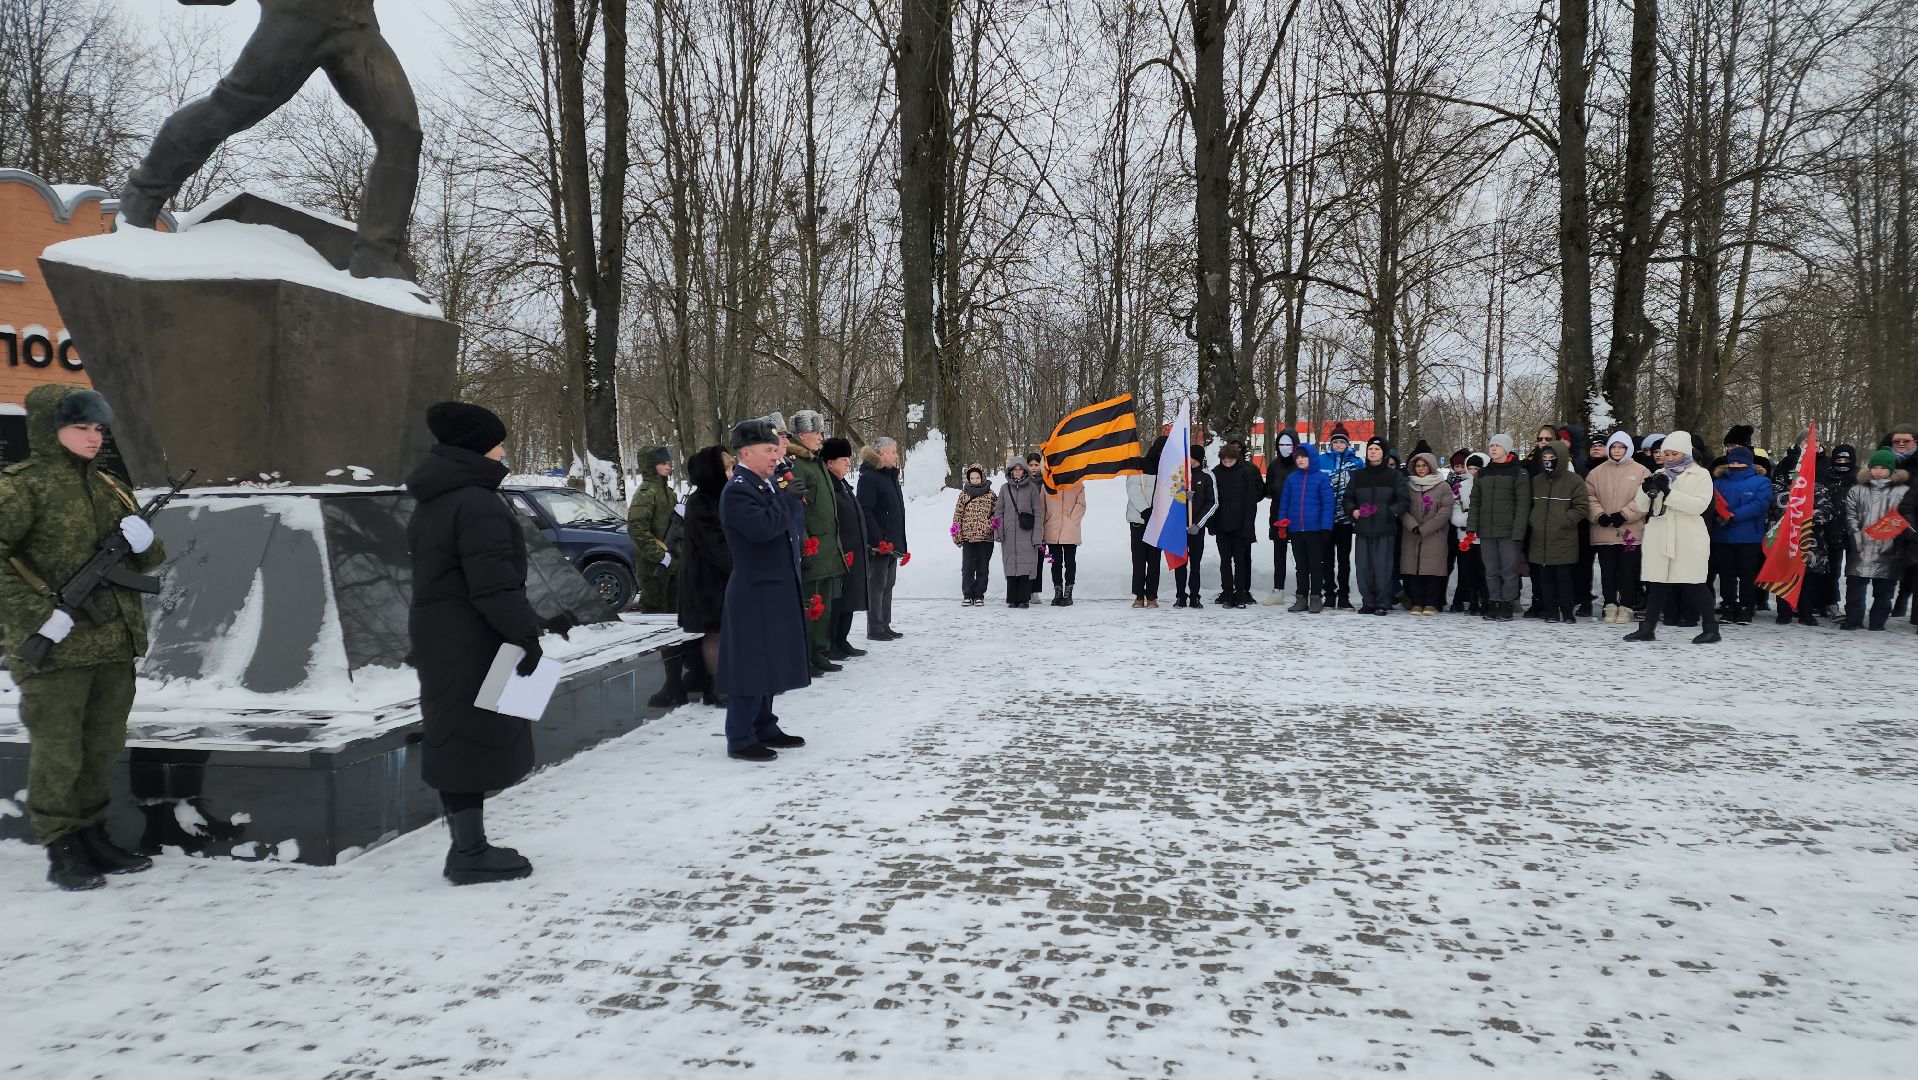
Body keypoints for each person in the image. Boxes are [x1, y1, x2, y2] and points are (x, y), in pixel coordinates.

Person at [0, 386, 168, 891]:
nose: (94, 438)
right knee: (59, 751)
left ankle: (92, 835)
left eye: (98, 429)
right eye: (81, 428)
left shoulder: (111, 487)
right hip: (55, 648)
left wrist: (147, 544)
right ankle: (61, 845)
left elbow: (148, 561)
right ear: (51, 431)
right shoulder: (20, 488)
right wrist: (38, 616)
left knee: (101, 747)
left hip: (113, 645)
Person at [119, 0, 421, 280]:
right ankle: (143, 193)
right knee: (230, 108)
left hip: (356, 25)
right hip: (298, 14)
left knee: (402, 133)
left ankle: (374, 257)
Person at [405, 401, 574, 885]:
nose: (504, 451)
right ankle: (468, 853)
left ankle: (468, 845)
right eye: (498, 442)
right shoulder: (476, 502)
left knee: (454, 736)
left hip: (445, 636)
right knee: (468, 740)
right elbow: (492, 584)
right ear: (478, 447)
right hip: (471, 640)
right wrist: (525, 635)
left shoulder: (438, 497)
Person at [716, 419, 811, 761]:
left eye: (776, 450)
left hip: (775, 587)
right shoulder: (739, 489)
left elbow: (787, 529)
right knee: (751, 663)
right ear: (746, 452)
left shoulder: (765, 484)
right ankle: (740, 736)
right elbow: (763, 529)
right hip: (754, 590)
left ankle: (764, 724)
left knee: (771, 660)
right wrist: (787, 501)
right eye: (768, 450)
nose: (775, 456)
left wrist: (786, 499)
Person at [1625, 432, 1720, 644]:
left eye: (1673, 453)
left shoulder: (1701, 475)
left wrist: (1669, 493)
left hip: (1687, 534)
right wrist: (1644, 490)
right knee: (1657, 583)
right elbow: (1641, 507)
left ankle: (1711, 628)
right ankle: (1647, 628)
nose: (1668, 457)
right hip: (1660, 532)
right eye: (1665, 453)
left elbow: (1698, 506)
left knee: (1695, 582)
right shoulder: (1659, 473)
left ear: (1685, 452)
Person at [784, 411, 845, 674]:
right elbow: (799, 511)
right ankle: (806, 656)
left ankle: (820, 652)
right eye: (816, 432)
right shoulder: (797, 464)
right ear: (800, 436)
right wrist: (805, 545)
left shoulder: (816, 462)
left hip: (828, 547)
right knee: (811, 603)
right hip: (813, 548)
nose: (821, 436)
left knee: (825, 604)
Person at [677, 445, 732, 708]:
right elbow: (715, 545)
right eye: (727, 466)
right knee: (715, 632)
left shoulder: (725, 495)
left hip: (724, 577)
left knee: (726, 631)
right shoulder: (701, 502)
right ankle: (716, 684)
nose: (732, 470)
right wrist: (740, 566)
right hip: (708, 579)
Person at [1769, 434, 1837, 626]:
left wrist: (1807, 517)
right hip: (1785, 539)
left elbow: (1827, 511)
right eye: (1793, 472)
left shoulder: (1817, 489)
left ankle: (1806, 612)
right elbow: (1775, 509)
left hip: (1811, 540)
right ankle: (1783, 612)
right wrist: (1791, 516)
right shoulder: (1779, 489)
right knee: (1783, 575)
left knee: (1809, 578)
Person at [1841, 449, 1910, 631]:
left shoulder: (1902, 492)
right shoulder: (1857, 490)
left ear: (1892, 470)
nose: (1878, 471)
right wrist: (1857, 538)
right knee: (1855, 589)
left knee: (1884, 591)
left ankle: (1878, 622)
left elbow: (1904, 516)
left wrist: (1890, 537)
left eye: (1883, 468)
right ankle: (1853, 620)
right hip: (1861, 547)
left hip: (1889, 549)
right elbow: (1851, 516)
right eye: (1875, 467)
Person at [1586, 432, 1649, 624]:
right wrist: (1599, 515)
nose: (1617, 450)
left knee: (1629, 569)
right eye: (1614, 447)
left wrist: (1624, 515)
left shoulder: (1641, 471)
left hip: (1629, 532)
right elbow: (1588, 496)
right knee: (1608, 570)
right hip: (1604, 531)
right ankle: (1610, 604)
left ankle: (1627, 605)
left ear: (1628, 448)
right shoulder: (1597, 472)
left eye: (1621, 447)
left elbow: (1644, 498)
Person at [1524, 441, 1589, 622]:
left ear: (1560, 458)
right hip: (1540, 539)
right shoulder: (1537, 481)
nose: (1548, 461)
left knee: (1564, 578)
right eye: (1544, 458)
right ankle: (1551, 611)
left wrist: (1564, 520)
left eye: (1551, 458)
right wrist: (1534, 520)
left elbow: (1582, 507)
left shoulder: (1574, 480)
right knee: (1545, 579)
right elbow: (1529, 505)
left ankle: (1567, 612)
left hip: (1563, 538)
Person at [1468, 434, 1530, 621]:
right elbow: (1475, 501)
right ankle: (1494, 601)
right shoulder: (1483, 473)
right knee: (1491, 570)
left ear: (1507, 449)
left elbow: (1523, 504)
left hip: (1509, 531)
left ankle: (1507, 604)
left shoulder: (1518, 472)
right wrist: (1472, 527)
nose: (1493, 449)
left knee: (1509, 570)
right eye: (1492, 445)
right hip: (1487, 530)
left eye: (1498, 446)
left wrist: (1518, 530)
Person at [1346, 437, 1409, 615]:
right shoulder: (1358, 476)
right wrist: (1354, 511)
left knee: (1383, 567)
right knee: (1363, 567)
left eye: (1377, 449)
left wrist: (1389, 512)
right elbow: (1348, 498)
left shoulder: (1394, 476)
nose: (1372, 452)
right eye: (1370, 449)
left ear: (1384, 453)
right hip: (1363, 528)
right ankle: (1368, 601)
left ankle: (1382, 601)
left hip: (1385, 528)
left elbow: (1403, 501)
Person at [1710, 446, 1771, 625]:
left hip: (1748, 537)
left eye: (1740, 462)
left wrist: (1734, 516)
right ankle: (1728, 606)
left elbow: (1760, 504)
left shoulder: (1761, 482)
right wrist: (1718, 516)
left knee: (1747, 575)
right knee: (1726, 575)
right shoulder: (1718, 482)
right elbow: (1711, 501)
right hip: (1723, 536)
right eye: (1733, 461)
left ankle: (1746, 607)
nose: (1736, 465)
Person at [822, 438, 868, 662]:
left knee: (850, 597)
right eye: (844, 460)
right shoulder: (828, 485)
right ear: (830, 463)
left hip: (853, 551)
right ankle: (830, 642)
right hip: (839, 552)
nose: (848, 463)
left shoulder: (843, 485)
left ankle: (842, 639)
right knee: (838, 600)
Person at [857, 438, 907, 639]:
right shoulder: (869, 477)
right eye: (893, 451)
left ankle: (885, 623)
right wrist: (878, 541)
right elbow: (866, 511)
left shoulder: (890, 476)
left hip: (892, 541)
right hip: (879, 544)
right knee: (877, 585)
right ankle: (875, 627)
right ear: (881, 454)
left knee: (888, 584)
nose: (896, 455)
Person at [1279, 443, 1334, 612]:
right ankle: (1301, 597)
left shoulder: (1321, 478)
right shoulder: (1291, 479)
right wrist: (1282, 523)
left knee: (1315, 565)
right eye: (1297, 457)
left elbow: (1328, 504)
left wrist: (1326, 527)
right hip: (1296, 530)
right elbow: (1285, 503)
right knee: (1301, 565)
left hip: (1315, 530)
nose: (1300, 459)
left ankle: (1316, 597)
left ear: (1311, 458)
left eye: (1303, 456)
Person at [1210, 439, 1265, 607]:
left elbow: (1251, 502)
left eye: (1231, 460)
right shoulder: (1216, 473)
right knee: (1225, 561)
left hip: (1241, 525)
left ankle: (1240, 594)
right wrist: (1212, 524)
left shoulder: (1246, 472)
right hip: (1222, 525)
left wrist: (1248, 526)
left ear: (1237, 458)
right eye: (1224, 461)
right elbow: (1211, 499)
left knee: (1240, 561)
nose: (1227, 464)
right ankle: (1227, 594)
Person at [1400, 451, 1453, 615]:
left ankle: (1431, 603)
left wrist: (1427, 528)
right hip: (1412, 533)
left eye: (1424, 465)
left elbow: (1446, 510)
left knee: (1433, 570)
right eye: (1418, 466)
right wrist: (1414, 526)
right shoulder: (1408, 486)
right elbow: (1403, 508)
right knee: (1414, 568)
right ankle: (1417, 602)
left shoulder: (1443, 486)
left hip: (1435, 534)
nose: (1421, 469)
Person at [627, 446, 677, 613]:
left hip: (672, 565)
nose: (667, 466)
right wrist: (660, 556)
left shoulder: (669, 493)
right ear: (651, 465)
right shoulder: (645, 494)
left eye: (668, 462)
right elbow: (637, 529)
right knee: (656, 615)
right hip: (653, 568)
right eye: (662, 463)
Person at [994, 460, 1045, 608]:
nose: (1017, 472)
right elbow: (999, 512)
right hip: (1009, 535)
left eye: (1020, 469)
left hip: (1026, 534)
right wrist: (999, 531)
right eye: (1014, 470)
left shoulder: (1032, 488)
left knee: (1025, 566)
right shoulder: (1004, 489)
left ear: (1024, 471)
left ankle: (1024, 599)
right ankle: (1012, 598)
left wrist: (1037, 537)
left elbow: (1037, 513)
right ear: (1010, 471)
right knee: (1011, 565)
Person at [1323, 425, 1363, 608]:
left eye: (1342, 442)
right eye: (1336, 442)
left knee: (1343, 560)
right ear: (1331, 444)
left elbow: (1361, 490)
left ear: (1347, 444)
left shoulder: (1357, 463)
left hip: (1346, 520)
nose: (1339, 445)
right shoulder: (1322, 461)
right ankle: (1329, 595)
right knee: (1327, 559)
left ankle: (1344, 596)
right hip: (1326, 519)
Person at [1177, 444, 1217, 608]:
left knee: (1195, 563)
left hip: (1196, 528)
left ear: (1198, 459)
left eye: (1192, 457)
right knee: (1180, 563)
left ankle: (1195, 596)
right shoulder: (1179, 474)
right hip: (1179, 527)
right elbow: (1169, 497)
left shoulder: (1207, 476)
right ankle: (1180, 596)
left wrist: (1198, 524)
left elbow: (1213, 503)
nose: (1189, 460)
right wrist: (1181, 495)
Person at [1262, 429, 1299, 604]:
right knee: (1279, 553)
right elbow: (1268, 488)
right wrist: (1270, 490)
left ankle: (1303, 590)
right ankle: (1278, 590)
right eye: (1281, 445)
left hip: (1298, 515)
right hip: (1277, 514)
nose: (1285, 448)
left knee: (1301, 554)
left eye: (1289, 445)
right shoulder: (1274, 465)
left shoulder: (1300, 463)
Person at [1127, 436, 1165, 608]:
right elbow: (1133, 489)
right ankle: (1138, 595)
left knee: (1154, 560)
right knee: (1139, 559)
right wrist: (1145, 510)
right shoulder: (1139, 465)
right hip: (1139, 520)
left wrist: (1158, 513)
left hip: (1157, 520)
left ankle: (1152, 596)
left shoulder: (1168, 469)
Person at [952, 464, 997, 606]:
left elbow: (997, 515)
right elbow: (957, 516)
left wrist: (989, 525)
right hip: (968, 538)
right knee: (968, 567)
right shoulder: (964, 495)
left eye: (977, 477)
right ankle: (967, 594)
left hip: (985, 538)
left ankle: (979, 594)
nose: (975, 480)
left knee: (983, 567)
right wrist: (956, 534)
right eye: (972, 478)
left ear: (982, 477)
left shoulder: (991, 495)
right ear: (968, 479)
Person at [1042, 468, 1087, 606]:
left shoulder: (1076, 483)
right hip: (1052, 529)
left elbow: (1081, 504)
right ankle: (1058, 591)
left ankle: (1068, 591)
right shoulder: (1047, 484)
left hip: (1069, 529)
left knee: (1069, 562)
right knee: (1055, 563)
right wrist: (1043, 526)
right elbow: (1042, 507)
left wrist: (1072, 520)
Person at [1450, 453, 1488, 614]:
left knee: (1483, 570)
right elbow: (1455, 509)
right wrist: (1464, 519)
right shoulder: (1460, 487)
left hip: (1484, 536)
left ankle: (1485, 601)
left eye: (1477, 468)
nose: (1473, 472)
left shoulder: (1488, 486)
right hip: (1465, 536)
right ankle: (1472, 602)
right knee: (1466, 570)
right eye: (1470, 468)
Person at [1024, 451, 1048, 597]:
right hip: (1026, 523)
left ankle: (1035, 591)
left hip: (1042, 523)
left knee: (1039, 558)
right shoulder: (1024, 481)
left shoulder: (1046, 481)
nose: (1033, 468)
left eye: (1036, 465)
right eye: (1031, 465)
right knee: (1026, 558)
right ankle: (1026, 588)